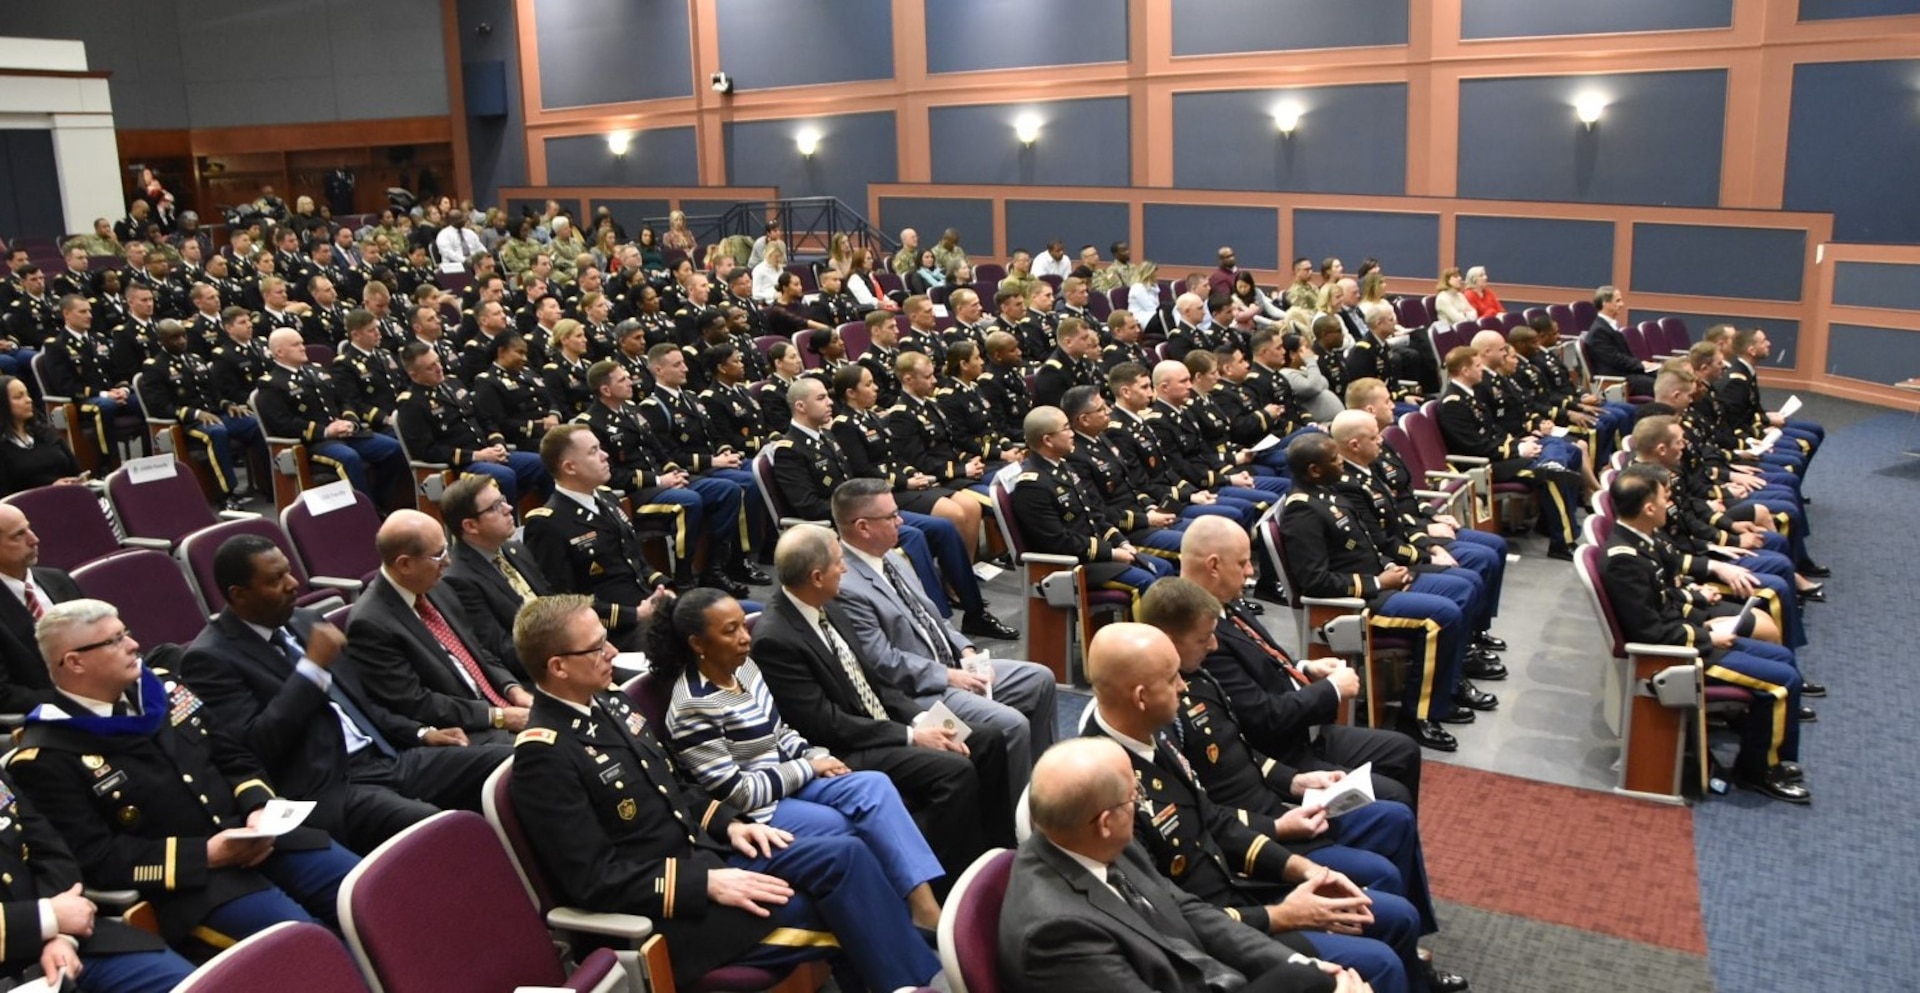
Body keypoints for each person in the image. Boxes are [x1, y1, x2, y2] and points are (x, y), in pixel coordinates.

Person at [508, 594, 942, 991]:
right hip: (674, 911)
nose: (613, 653)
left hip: (709, 850)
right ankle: (913, 981)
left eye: (606, 641)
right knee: (844, 911)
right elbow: (594, 880)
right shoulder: (545, 755)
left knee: (845, 854)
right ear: (557, 667)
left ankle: (906, 976)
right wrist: (706, 882)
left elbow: (675, 787)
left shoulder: (612, 702)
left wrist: (729, 822)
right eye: (596, 648)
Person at [1136, 579, 1463, 992]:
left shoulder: (1193, 680)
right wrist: (1278, 835)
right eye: (1205, 639)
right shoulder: (1149, 737)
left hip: (1266, 821)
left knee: (1393, 820)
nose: (1214, 646)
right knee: (1382, 903)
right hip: (1242, 875)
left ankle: (1408, 961)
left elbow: (1240, 751)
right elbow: (1189, 867)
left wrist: (1294, 781)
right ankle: (1395, 962)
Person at [1080, 624, 1419, 993]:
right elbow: (1165, 918)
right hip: (1216, 939)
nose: (1183, 686)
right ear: (1141, 697)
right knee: (1380, 964)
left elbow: (1215, 822)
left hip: (1240, 891)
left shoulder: (1152, 731)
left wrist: (1304, 871)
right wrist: (1281, 916)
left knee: (1399, 916)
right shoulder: (1106, 791)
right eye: (1171, 678)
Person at [10, 599, 362, 949]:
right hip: (194, 885)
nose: (133, 645)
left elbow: (234, 758)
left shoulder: (164, 689)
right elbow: (99, 858)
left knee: (368, 894)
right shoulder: (46, 756)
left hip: (261, 839)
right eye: (113, 641)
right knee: (310, 948)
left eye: (126, 633)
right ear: (74, 662)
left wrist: (258, 808)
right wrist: (206, 854)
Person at [180, 535, 512, 854]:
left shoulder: (304, 620)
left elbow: (361, 706)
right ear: (238, 595)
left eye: (289, 571)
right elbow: (257, 746)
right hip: (328, 786)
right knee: (434, 824)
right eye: (275, 579)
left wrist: (421, 733)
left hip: (387, 757)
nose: (293, 583)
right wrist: (310, 671)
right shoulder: (209, 658)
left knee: (511, 761)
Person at [654, 588, 945, 930]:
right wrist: (807, 767)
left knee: (874, 786)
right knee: (845, 827)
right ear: (698, 644)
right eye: (730, 631)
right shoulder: (693, 706)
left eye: (743, 627)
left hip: (789, 778)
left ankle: (924, 909)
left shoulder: (744, 667)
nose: (746, 638)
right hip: (758, 809)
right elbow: (736, 793)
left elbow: (779, 731)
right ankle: (891, 922)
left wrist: (814, 755)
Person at [748, 525, 1015, 878]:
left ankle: (996, 852)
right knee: (954, 770)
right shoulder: (775, 639)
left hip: (882, 721)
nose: (844, 569)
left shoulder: (827, 604)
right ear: (816, 576)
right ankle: (949, 878)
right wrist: (910, 736)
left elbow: (876, 683)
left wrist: (921, 721)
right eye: (839, 563)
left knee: (987, 740)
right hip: (843, 748)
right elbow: (824, 723)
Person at [1001, 738, 1361, 993]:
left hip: (1201, 971)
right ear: (1105, 822)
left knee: (1311, 971)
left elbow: (1186, 910)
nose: (1142, 806)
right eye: (1135, 797)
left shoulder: (1089, 839)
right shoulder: (1056, 933)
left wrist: (1298, 966)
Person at [1175, 518, 1425, 809]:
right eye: (1242, 563)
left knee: (1404, 751)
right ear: (1214, 566)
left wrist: (1305, 667)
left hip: (1302, 731)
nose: (1251, 570)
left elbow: (1262, 655)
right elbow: (1262, 718)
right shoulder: (1200, 635)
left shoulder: (1224, 601)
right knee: (1394, 799)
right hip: (1280, 754)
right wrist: (1331, 690)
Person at [1598, 465, 1810, 803]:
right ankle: (1759, 770)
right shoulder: (1624, 558)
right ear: (1649, 508)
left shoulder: (1641, 539)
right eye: (1664, 496)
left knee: (1783, 657)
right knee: (1782, 681)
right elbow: (1649, 630)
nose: (1670, 501)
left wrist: (1700, 613)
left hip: (1687, 637)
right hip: (1677, 656)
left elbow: (1664, 597)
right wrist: (1707, 636)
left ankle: (1760, 738)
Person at [830, 478, 1055, 793]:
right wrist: (948, 676)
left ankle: (1047, 781)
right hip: (919, 690)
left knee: (1040, 679)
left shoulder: (892, 556)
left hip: (950, 664)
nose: (901, 520)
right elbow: (882, 662)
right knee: (1011, 725)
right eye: (891, 516)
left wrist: (966, 651)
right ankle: (1020, 813)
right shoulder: (846, 585)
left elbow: (932, 617)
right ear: (863, 527)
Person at [1279, 433, 1489, 752]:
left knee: (1465, 585)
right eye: (1334, 460)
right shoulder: (1302, 511)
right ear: (1314, 470)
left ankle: (1450, 681)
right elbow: (1315, 581)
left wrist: (1392, 569)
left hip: (1383, 577)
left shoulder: (1325, 494)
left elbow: (1367, 543)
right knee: (1443, 616)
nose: (1341, 464)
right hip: (1356, 602)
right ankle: (1419, 715)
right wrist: (1380, 582)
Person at [0, 762, 199, 992]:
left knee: (192, 985)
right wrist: (47, 919)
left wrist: (61, 935)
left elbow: (50, 850)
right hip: (17, 959)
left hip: (64, 939)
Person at [345, 510, 534, 742]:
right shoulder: (370, 624)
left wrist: (512, 689)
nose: (448, 561)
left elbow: (478, 651)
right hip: (464, 729)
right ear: (404, 564)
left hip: (501, 700)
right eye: (438, 555)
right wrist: (498, 716)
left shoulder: (437, 586)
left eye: (446, 548)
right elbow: (416, 702)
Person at [522, 424, 676, 634]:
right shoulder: (547, 523)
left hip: (648, 607)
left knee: (716, 610)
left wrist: (664, 587)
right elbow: (563, 602)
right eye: (593, 451)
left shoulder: (607, 498)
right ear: (570, 467)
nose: (605, 455)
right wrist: (635, 615)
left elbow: (636, 562)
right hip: (610, 630)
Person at [1435, 346, 1582, 560]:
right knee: (1552, 477)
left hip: (1498, 455)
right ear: (1465, 371)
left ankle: (1549, 510)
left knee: (1561, 447)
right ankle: (1562, 543)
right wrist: (1516, 449)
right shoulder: (1453, 404)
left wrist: (1519, 442)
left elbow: (1495, 430)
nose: (1482, 371)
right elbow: (1474, 447)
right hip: (1482, 466)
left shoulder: (1470, 395)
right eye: (1477, 367)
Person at [1011, 405, 1174, 597]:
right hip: (1072, 564)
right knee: (1145, 580)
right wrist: (1111, 553)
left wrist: (1120, 542)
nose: (1072, 433)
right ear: (1048, 440)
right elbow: (1058, 542)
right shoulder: (1032, 485)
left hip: (1094, 554)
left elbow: (1093, 514)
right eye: (1065, 428)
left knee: (1163, 567)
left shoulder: (1063, 466)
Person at [256, 327, 405, 506]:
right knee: (348, 458)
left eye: (302, 343)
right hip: (314, 442)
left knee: (394, 449)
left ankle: (382, 501)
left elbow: (343, 400)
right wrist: (326, 431)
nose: (303, 347)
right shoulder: (272, 384)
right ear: (279, 352)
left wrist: (349, 421)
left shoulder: (317, 371)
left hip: (345, 432)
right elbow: (284, 423)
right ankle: (367, 511)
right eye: (296, 345)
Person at [138, 319, 263, 509]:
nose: (181, 341)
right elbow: (160, 406)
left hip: (216, 414)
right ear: (162, 340)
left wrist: (227, 404)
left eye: (182, 336)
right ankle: (227, 494)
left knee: (253, 423)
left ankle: (266, 485)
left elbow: (214, 391)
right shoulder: (155, 366)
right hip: (187, 423)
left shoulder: (195, 359)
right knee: (217, 433)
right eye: (174, 338)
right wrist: (195, 414)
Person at [0, 504, 76, 713]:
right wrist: (78, 699)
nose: (34, 539)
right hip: (53, 714)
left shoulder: (57, 579)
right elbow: (4, 694)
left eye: (29, 529)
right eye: (19, 535)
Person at [0, 375, 82, 495]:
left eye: (27, 394)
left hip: (70, 496)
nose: (29, 400)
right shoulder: (3, 447)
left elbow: (76, 471)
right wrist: (49, 490)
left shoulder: (45, 433)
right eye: (18, 397)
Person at [1581, 285, 1656, 397]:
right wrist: (1642, 365)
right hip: (1617, 380)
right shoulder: (1598, 331)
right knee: (1662, 386)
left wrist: (1644, 365)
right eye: (1618, 301)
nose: (1622, 304)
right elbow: (1615, 360)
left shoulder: (1607, 326)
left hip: (1626, 373)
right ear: (1605, 303)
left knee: (1665, 376)